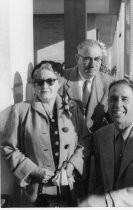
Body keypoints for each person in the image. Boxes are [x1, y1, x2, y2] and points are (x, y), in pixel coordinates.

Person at [0, 61, 91, 207]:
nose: (44, 86)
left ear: (59, 83)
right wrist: (33, 170)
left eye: (50, 81)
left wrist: (71, 167)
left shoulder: (73, 109)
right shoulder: (20, 110)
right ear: (33, 86)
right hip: (34, 192)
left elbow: (85, 141)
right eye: (39, 82)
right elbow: (8, 148)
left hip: (68, 189)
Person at [79, 79, 133, 207]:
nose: (118, 105)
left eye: (125, 99)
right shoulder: (100, 136)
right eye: (113, 99)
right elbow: (98, 182)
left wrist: (107, 201)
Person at [62, 39, 113, 133]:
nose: (92, 65)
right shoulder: (61, 79)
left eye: (97, 59)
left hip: (97, 142)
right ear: (77, 58)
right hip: (68, 143)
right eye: (87, 59)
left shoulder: (109, 83)